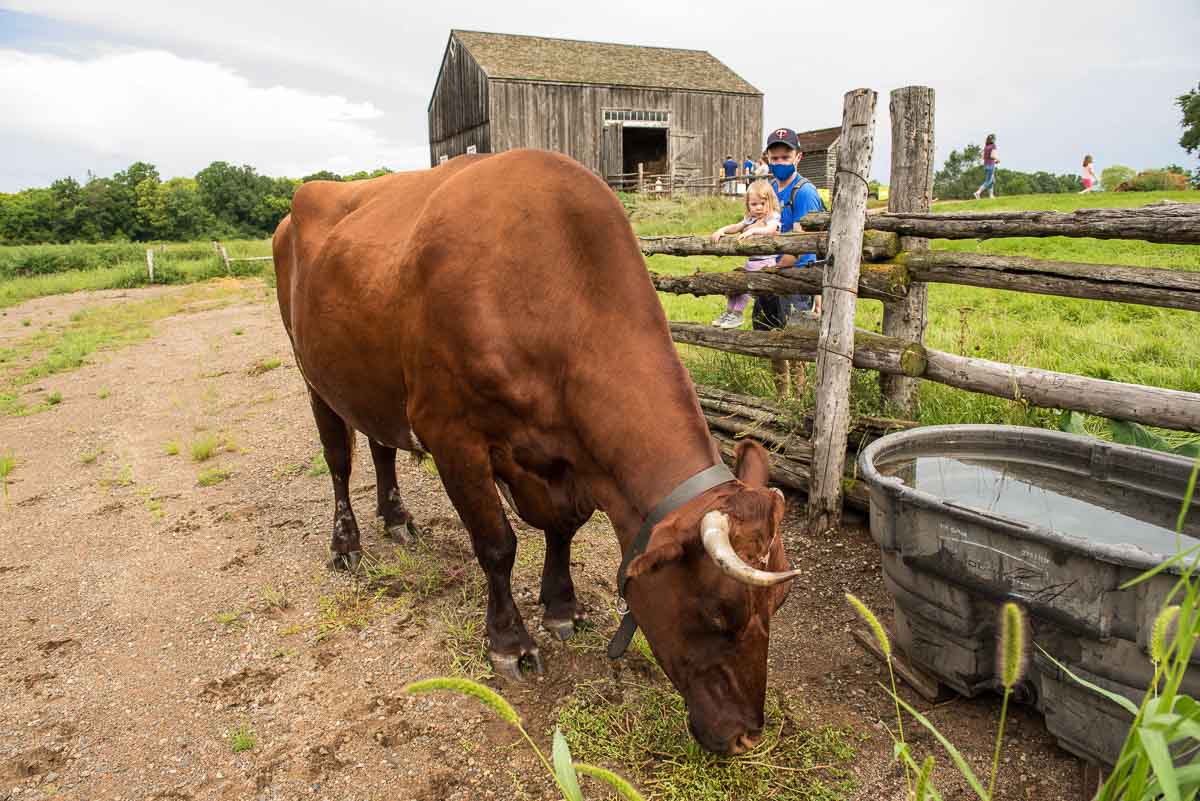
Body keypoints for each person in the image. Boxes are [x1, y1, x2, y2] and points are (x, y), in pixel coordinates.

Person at [754, 127, 826, 396]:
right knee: (774, 338)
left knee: (795, 343)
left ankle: (798, 395)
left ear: (798, 157)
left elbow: (801, 241)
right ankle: (781, 396)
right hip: (773, 272)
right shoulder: (769, 190)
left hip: (798, 275)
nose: (780, 163)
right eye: (775, 158)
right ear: (768, 159)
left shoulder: (804, 192)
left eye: (786, 157)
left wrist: (776, 268)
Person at [709, 180, 782, 329]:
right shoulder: (750, 218)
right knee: (735, 286)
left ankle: (737, 314)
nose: (759, 207)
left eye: (763, 203)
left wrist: (752, 231)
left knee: (745, 288)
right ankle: (729, 312)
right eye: (754, 204)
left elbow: (770, 229)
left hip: (766, 264)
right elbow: (737, 227)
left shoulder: (772, 217)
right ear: (748, 205)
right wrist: (722, 230)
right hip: (752, 263)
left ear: (770, 201)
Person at [973, 134, 999, 199]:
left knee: (992, 180)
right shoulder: (993, 146)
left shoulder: (986, 146)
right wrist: (997, 159)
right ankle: (978, 192)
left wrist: (993, 161)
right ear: (993, 139)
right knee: (988, 181)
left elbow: (983, 157)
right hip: (991, 165)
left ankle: (991, 195)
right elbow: (992, 156)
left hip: (986, 165)